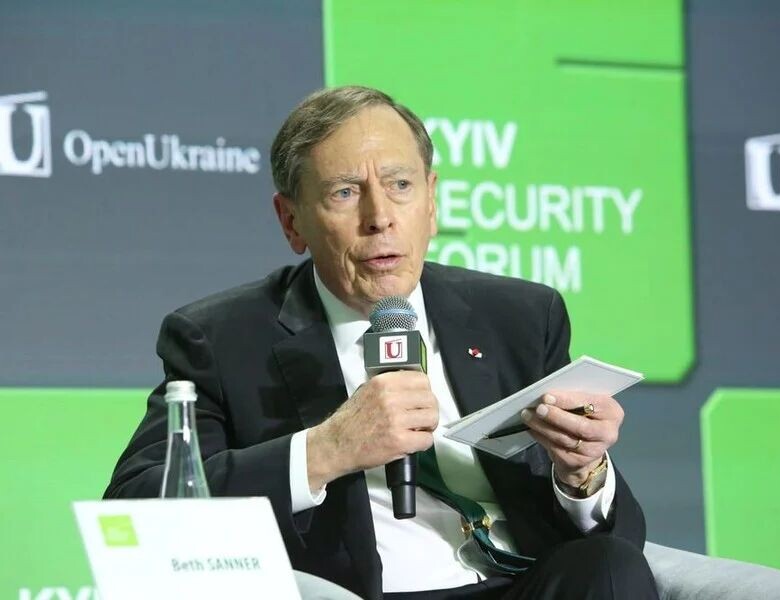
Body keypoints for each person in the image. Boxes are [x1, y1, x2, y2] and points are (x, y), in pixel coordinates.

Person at [105, 86, 658, 600]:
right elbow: (136, 507)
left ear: (431, 201)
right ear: (291, 221)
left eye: (400, 186)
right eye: (345, 193)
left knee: (610, 565)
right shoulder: (221, 338)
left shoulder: (520, 317)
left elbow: (617, 537)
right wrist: (327, 448)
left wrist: (582, 474)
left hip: (518, 584)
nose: (380, 218)